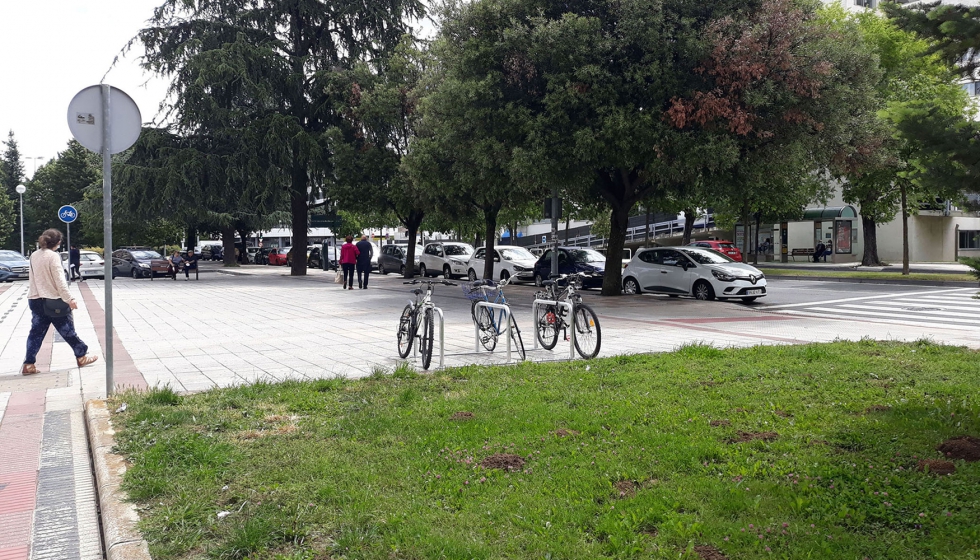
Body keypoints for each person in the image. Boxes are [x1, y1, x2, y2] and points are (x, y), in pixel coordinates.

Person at [22, 229, 98, 375]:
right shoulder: (53, 256)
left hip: (35, 299)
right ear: (58, 242)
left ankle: (29, 364)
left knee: (36, 333)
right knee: (67, 329)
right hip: (53, 300)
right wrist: (70, 299)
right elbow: (60, 281)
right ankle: (81, 355)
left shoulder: (34, 255)